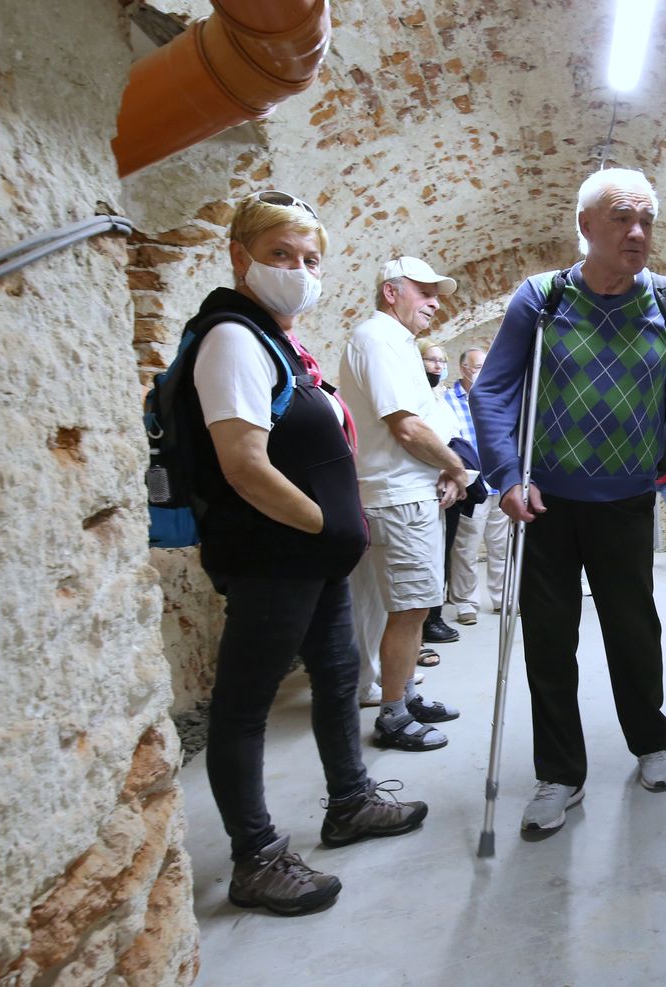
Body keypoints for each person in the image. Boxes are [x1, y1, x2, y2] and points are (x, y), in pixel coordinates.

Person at [190, 191, 425, 915]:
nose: (299, 271)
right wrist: (325, 526)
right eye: (281, 255)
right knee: (245, 704)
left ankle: (349, 801)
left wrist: (330, 539)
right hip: (273, 556)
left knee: (337, 672)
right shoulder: (232, 339)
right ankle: (256, 858)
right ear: (241, 258)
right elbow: (243, 465)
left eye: (310, 259)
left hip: (311, 560)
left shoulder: (276, 341)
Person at [470, 167, 666, 836]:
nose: (637, 233)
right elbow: (493, 391)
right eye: (621, 219)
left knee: (633, 630)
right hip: (546, 502)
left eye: (646, 221)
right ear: (585, 226)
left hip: (628, 498)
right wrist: (506, 476)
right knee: (549, 639)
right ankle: (559, 774)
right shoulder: (542, 298)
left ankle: (651, 742)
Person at [340, 257, 467, 753]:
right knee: (409, 607)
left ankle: (406, 694)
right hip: (397, 496)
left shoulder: (397, 343)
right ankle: (392, 716)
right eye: (424, 292)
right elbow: (407, 427)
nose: (434, 302)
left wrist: (444, 471)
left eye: (437, 294)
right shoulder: (377, 339)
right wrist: (455, 468)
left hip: (410, 492)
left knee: (414, 606)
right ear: (391, 292)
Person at [444, 346, 510, 619]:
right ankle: (466, 603)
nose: (484, 372)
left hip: (499, 482)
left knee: (501, 547)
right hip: (472, 485)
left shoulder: (495, 397)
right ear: (464, 369)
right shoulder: (448, 400)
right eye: (479, 367)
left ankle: (502, 598)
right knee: (466, 548)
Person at [420, 343, 463, 645]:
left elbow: (453, 434)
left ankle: (434, 616)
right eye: (431, 360)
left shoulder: (441, 397)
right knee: (425, 558)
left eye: (441, 360)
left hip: (450, 484)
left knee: (442, 554)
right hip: (426, 484)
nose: (438, 366)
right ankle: (424, 621)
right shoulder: (414, 395)